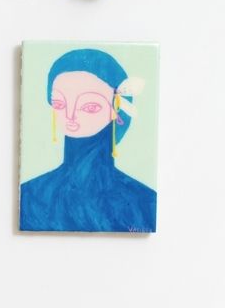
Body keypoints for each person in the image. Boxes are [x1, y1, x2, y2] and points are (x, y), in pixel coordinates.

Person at [19, 47, 157, 234]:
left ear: (115, 110)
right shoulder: (30, 195)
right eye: (59, 104)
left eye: (89, 106)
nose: (70, 115)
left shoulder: (143, 201)